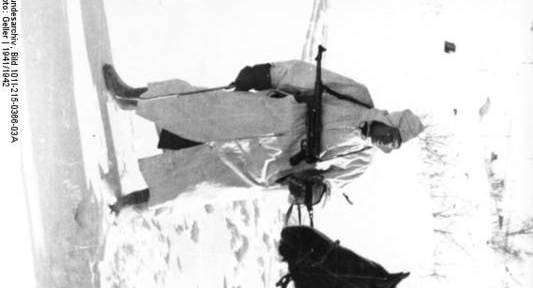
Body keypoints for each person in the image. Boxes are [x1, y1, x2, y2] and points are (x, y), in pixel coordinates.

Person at [103, 60, 423, 212]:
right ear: (388, 120)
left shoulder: (361, 159)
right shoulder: (358, 97)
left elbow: (331, 186)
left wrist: (315, 191)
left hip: (265, 163)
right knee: (193, 106)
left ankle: (129, 202)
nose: (384, 144)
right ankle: (128, 96)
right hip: (261, 114)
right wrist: (266, 73)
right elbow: (310, 77)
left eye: (391, 146)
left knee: (195, 182)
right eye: (389, 136)